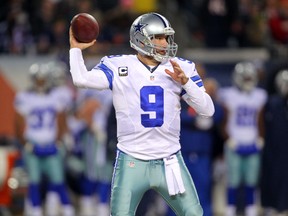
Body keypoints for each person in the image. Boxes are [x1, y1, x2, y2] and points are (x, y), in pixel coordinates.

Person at [69, 12, 215, 216]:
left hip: (169, 159)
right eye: (158, 37)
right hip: (131, 160)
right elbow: (81, 79)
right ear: (141, 38)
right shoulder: (118, 65)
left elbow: (208, 110)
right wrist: (75, 50)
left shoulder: (181, 67)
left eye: (166, 37)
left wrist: (186, 83)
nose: (164, 43)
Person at [14, 63, 74, 216]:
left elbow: (61, 119)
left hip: (51, 144)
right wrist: (25, 143)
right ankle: (36, 211)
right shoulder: (24, 97)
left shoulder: (55, 95)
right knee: (34, 181)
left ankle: (68, 210)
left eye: (43, 79)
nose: (41, 82)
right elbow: (18, 123)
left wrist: (60, 140)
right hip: (33, 144)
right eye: (38, 79)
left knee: (59, 180)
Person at [218, 62, 267, 216]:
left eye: (250, 78)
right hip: (234, 143)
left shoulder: (260, 95)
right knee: (233, 180)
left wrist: (260, 138)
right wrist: (228, 139)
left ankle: (251, 209)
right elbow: (223, 120)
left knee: (252, 180)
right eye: (245, 78)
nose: (248, 81)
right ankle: (230, 209)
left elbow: (260, 120)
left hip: (252, 143)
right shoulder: (227, 94)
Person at [260, 69, 288, 215]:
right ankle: (271, 206)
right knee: (272, 176)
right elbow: (262, 123)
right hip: (273, 146)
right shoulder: (273, 102)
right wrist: (261, 138)